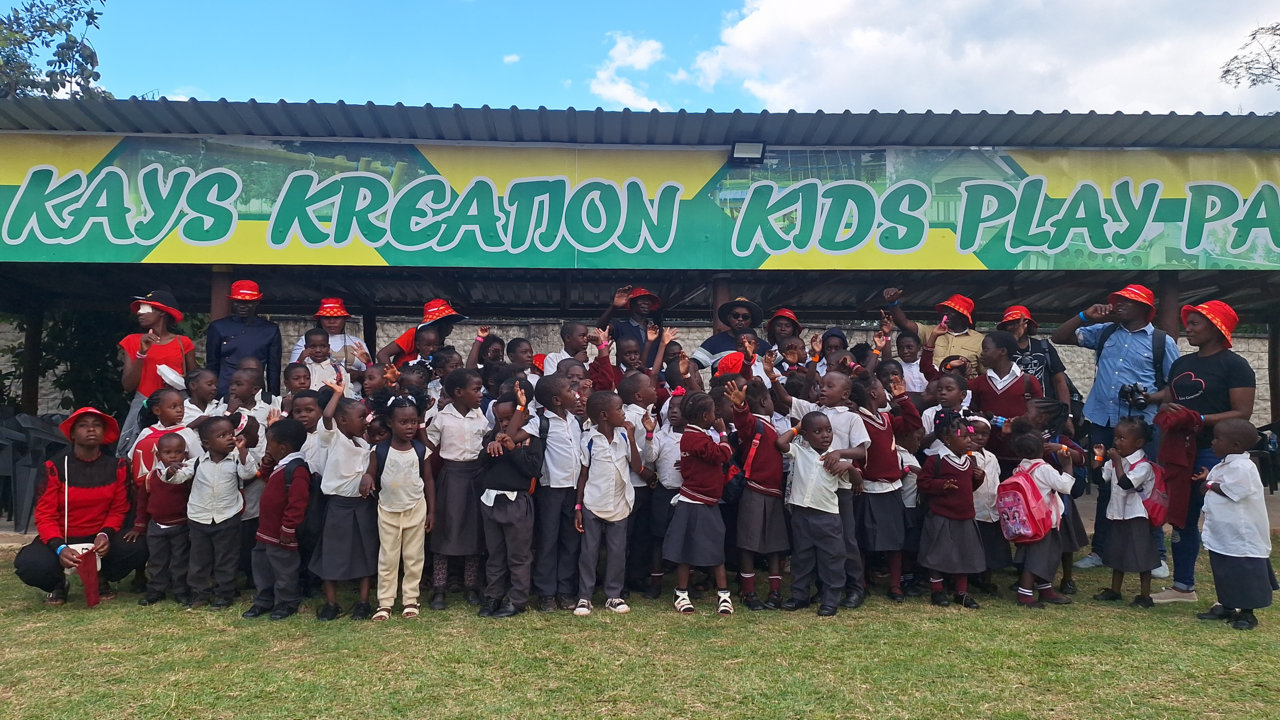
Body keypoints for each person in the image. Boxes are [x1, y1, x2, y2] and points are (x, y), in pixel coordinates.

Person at [1053, 284, 1178, 573]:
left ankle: (1156, 554)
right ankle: (1101, 551)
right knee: (1105, 484)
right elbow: (1059, 337)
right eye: (1117, 301)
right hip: (1103, 423)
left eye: (1126, 301)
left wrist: (1149, 397)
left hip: (1142, 427)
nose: (1118, 305)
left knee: (1146, 486)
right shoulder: (1105, 332)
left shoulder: (1162, 341)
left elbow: (1174, 387)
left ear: (1145, 309)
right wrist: (1084, 316)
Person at [1148, 300, 1256, 605]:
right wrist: (1166, 408)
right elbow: (1169, 399)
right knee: (1181, 517)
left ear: (1216, 327)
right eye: (1189, 323)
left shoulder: (1235, 366)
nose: (1189, 329)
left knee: (1222, 517)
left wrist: (1198, 418)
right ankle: (1183, 586)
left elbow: (1243, 413)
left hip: (1212, 452)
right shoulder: (1182, 364)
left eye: (1196, 323)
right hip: (1179, 451)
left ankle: (1234, 595)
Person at [14, 408, 146, 604]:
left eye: (97, 425)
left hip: (100, 537)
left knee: (138, 547)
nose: (91, 429)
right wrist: (59, 548)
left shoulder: (118, 467)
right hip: (63, 537)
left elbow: (119, 510)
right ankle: (58, 583)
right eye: (83, 425)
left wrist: (105, 534)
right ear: (73, 434)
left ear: (104, 433)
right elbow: (45, 515)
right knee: (30, 564)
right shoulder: (53, 467)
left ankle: (101, 577)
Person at [1195, 419, 1276, 630]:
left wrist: (1210, 484)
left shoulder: (1243, 467)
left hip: (1241, 534)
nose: (1212, 442)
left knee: (1243, 572)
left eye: (1217, 439)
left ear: (1235, 445)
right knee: (1224, 569)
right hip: (1225, 531)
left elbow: (1234, 490)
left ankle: (1248, 613)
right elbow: (1218, 482)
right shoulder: (1225, 463)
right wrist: (1208, 480)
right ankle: (1227, 605)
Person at [171, 413, 258, 610]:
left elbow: (249, 473)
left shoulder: (236, 460)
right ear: (206, 444)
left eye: (231, 433)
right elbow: (177, 478)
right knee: (199, 559)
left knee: (226, 559)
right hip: (199, 518)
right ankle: (200, 593)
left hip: (228, 517)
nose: (229, 438)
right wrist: (171, 470)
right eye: (222, 436)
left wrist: (243, 450)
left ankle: (224, 594)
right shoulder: (197, 462)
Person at [572, 391, 648, 616]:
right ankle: (585, 597)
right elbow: (583, 475)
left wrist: (632, 439)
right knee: (589, 551)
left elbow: (637, 467)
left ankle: (614, 595)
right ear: (604, 415)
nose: (623, 413)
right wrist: (578, 507)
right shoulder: (588, 440)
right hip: (593, 503)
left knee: (617, 551)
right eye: (619, 410)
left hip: (620, 502)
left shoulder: (623, 436)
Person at [512, 374, 583, 612]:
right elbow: (512, 437)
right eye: (570, 390)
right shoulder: (541, 423)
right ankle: (546, 593)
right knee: (548, 542)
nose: (575, 393)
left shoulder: (576, 421)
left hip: (573, 490)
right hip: (550, 491)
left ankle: (565, 590)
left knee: (570, 541)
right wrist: (521, 407)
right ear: (556, 400)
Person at [850, 374, 922, 605]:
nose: (886, 394)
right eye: (883, 389)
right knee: (862, 538)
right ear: (873, 393)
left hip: (891, 488)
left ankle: (895, 584)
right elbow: (854, 451)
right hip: (868, 488)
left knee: (895, 539)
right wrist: (857, 473)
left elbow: (913, 423)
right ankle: (860, 583)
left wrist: (903, 398)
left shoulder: (886, 418)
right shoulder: (857, 420)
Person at [310, 378, 376, 621]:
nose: (366, 421)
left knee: (365, 552)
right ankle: (331, 603)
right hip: (338, 506)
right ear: (343, 420)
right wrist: (338, 393)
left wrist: (369, 474)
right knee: (332, 553)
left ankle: (363, 602)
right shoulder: (332, 438)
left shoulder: (363, 443)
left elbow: (372, 463)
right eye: (361, 417)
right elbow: (327, 416)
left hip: (362, 505)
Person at [664, 392, 735, 614]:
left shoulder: (696, 435)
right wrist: (723, 433)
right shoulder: (695, 438)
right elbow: (723, 454)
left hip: (706, 500)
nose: (716, 416)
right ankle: (681, 592)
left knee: (715, 547)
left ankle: (723, 594)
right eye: (713, 412)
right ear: (705, 416)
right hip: (694, 500)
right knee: (686, 550)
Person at [425, 368, 489, 610]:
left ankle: (471, 585)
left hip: (475, 476)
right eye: (476, 389)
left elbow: (486, 441)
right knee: (445, 529)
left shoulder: (480, 417)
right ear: (459, 393)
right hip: (451, 476)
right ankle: (439, 587)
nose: (481, 394)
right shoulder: (443, 417)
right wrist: (421, 424)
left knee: (474, 530)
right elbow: (429, 444)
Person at [368, 390, 435, 622]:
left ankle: (411, 599)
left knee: (413, 557)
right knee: (388, 557)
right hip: (388, 510)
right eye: (403, 422)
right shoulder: (380, 451)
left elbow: (429, 481)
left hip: (416, 508)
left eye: (414, 421)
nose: (410, 427)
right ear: (390, 422)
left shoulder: (420, 450)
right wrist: (367, 478)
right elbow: (371, 474)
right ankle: (385, 602)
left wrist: (432, 512)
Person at [779, 412, 853, 616]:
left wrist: (848, 466)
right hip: (801, 515)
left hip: (827, 518)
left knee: (832, 560)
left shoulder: (838, 459)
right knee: (801, 558)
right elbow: (780, 442)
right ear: (805, 435)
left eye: (828, 430)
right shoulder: (799, 451)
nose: (825, 435)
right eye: (818, 431)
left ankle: (830, 600)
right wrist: (796, 428)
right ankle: (799, 596)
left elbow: (855, 481)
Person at [725, 380, 789, 611]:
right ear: (764, 401)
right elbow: (744, 422)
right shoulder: (756, 425)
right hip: (754, 491)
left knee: (775, 545)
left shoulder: (770, 426)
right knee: (748, 543)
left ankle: (775, 592)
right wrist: (740, 407)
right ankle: (749, 591)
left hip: (773, 493)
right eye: (770, 399)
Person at [478, 384, 540, 618]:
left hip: (517, 503)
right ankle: (493, 596)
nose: (504, 424)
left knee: (519, 555)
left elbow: (533, 469)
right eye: (501, 419)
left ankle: (517, 599)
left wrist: (513, 449)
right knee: (495, 553)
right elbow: (482, 463)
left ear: (524, 415)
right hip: (491, 501)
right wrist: (490, 447)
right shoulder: (491, 437)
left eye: (509, 418)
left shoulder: (531, 439)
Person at [242, 418, 311, 621]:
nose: (267, 447)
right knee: (262, 565)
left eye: (269, 443)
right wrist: (266, 464)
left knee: (284, 569)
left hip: (282, 533)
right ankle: (264, 599)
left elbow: (298, 503)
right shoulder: (281, 465)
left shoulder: (297, 470)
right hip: (266, 530)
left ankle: (287, 601)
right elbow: (268, 479)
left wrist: (288, 528)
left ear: (282, 447)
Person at [916, 409, 986, 609]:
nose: (969, 441)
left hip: (965, 516)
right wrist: (941, 485)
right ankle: (937, 590)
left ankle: (961, 592)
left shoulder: (969, 461)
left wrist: (978, 479)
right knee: (938, 554)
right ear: (947, 440)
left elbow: (968, 488)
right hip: (941, 516)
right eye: (964, 437)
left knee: (963, 554)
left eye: (970, 437)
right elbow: (923, 483)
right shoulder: (936, 460)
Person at [1090, 417, 1160, 609]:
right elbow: (1099, 479)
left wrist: (1116, 461)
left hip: (1137, 516)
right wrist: (1098, 458)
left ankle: (1145, 595)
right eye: (1116, 438)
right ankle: (1115, 590)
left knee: (1142, 555)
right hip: (1117, 513)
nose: (1117, 442)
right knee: (1116, 552)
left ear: (1138, 443)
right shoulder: (1115, 461)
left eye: (1122, 438)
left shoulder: (1143, 466)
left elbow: (1126, 483)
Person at [118, 290, 197, 455]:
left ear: (162, 312)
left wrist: (179, 382)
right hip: (144, 404)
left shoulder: (183, 343)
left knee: (181, 450)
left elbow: (195, 382)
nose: (139, 313)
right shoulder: (132, 341)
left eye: (146, 309)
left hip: (176, 406)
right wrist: (142, 353)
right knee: (132, 452)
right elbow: (128, 385)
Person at [1007, 421, 1077, 608]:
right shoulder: (1044, 469)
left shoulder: (1020, 468)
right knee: (1037, 560)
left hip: (1028, 522)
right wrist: (1067, 465)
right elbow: (1065, 486)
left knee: (1042, 556)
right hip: (1044, 522)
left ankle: (1045, 589)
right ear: (1042, 449)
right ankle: (1025, 594)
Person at [967, 330, 1043, 471]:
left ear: (1002, 351)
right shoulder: (979, 382)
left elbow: (1039, 416)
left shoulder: (1028, 382)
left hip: (1020, 457)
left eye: (986, 349)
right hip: (986, 457)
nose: (981, 354)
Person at [133, 432, 192, 606]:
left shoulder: (187, 477)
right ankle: (156, 590)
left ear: (185, 454)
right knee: (157, 560)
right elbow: (142, 503)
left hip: (181, 525)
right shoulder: (150, 477)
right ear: (159, 455)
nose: (173, 456)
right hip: (156, 526)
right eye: (168, 452)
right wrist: (139, 525)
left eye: (178, 452)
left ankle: (180, 591)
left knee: (180, 560)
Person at [882, 288, 985, 376]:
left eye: (951, 311)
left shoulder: (979, 340)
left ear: (963, 317)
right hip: (934, 385)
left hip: (966, 389)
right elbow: (904, 324)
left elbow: (984, 373)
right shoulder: (931, 331)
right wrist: (893, 303)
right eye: (945, 310)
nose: (945, 313)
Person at [206, 280, 282, 397]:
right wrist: (211, 394)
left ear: (257, 302)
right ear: (232, 302)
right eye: (238, 302)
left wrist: (273, 398)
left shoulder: (270, 330)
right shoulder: (218, 327)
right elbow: (212, 364)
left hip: (255, 392)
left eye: (247, 302)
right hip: (224, 390)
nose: (242, 306)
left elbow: (273, 369)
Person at [1000, 306, 1072, 410]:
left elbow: (1059, 381)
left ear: (1028, 324)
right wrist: (1014, 337)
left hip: (1043, 409)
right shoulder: (1001, 349)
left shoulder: (1044, 346)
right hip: (1012, 408)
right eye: (1010, 324)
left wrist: (1067, 413)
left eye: (1018, 323)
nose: (1015, 327)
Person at [287, 298, 371, 377]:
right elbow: (292, 372)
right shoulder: (305, 340)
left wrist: (359, 374)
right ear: (320, 320)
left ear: (344, 319)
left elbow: (371, 373)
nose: (332, 321)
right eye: (327, 318)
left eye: (336, 317)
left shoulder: (357, 343)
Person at [375, 299, 466, 367]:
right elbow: (382, 354)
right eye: (449, 323)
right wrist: (392, 380)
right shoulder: (414, 333)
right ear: (439, 324)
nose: (452, 327)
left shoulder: (440, 339)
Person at [693, 297, 770, 372]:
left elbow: (776, 368)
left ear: (751, 320)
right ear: (729, 318)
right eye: (735, 316)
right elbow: (692, 364)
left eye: (745, 317)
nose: (740, 319)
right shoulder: (714, 342)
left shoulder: (762, 346)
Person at [597, 285, 663, 364]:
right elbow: (600, 328)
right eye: (642, 299)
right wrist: (614, 307)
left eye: (649, 300)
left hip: (653, 371)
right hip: (626, 372)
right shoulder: (621, 327)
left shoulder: (655, 329)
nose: (646, 302)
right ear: (631, 303)